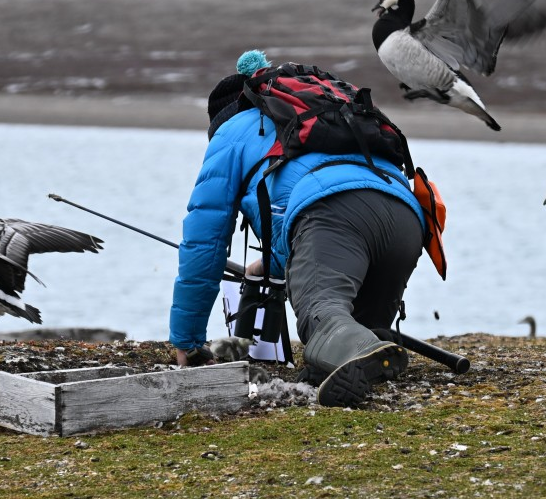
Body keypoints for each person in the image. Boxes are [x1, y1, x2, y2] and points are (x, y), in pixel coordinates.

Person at [170, 50, 426, 407]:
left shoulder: (231, 133)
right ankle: (358, 348)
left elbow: (204, 243)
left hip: (334, 212)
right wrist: (271, 266)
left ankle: (347, 342)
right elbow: (295, 226)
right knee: (354, 334)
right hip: (406, 217)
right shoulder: (323, 120)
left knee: (323, 315)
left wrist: (188, 340)